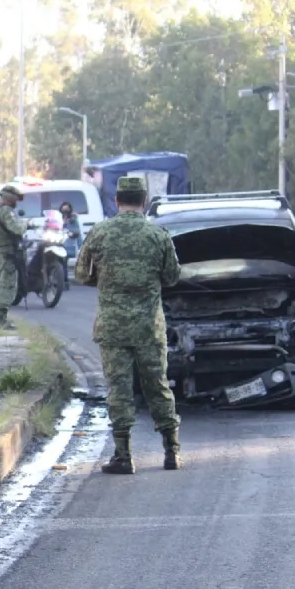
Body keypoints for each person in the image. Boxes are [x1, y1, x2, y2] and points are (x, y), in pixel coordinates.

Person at [74, 176, 182, 474]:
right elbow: (172, 277)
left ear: (117, 201)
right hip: (149, 326)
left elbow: (81, 274)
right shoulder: (158, 234)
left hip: (113, 327)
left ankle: (123, 455)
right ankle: (171, 451)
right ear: (144, 201)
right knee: (158, 386)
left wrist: (107, 280)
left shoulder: (100, 233)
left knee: (119, 390)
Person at [0, 184, 26, 330]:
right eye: (15, 200)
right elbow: (17, 229)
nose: (17, 203)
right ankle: (1, 320)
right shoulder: (6, 211)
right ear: (9, 199)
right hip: (6, 253)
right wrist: (26, 224)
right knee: (7, 285)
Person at [60, 201, 81, 291]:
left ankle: (64, 281)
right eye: (63, 209)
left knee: (63, 262)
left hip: (68, 245)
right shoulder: (57, 219)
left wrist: (81, 245)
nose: (65, 211)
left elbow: (77, 232)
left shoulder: (73, 219)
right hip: (57, 243)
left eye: (67, 209)